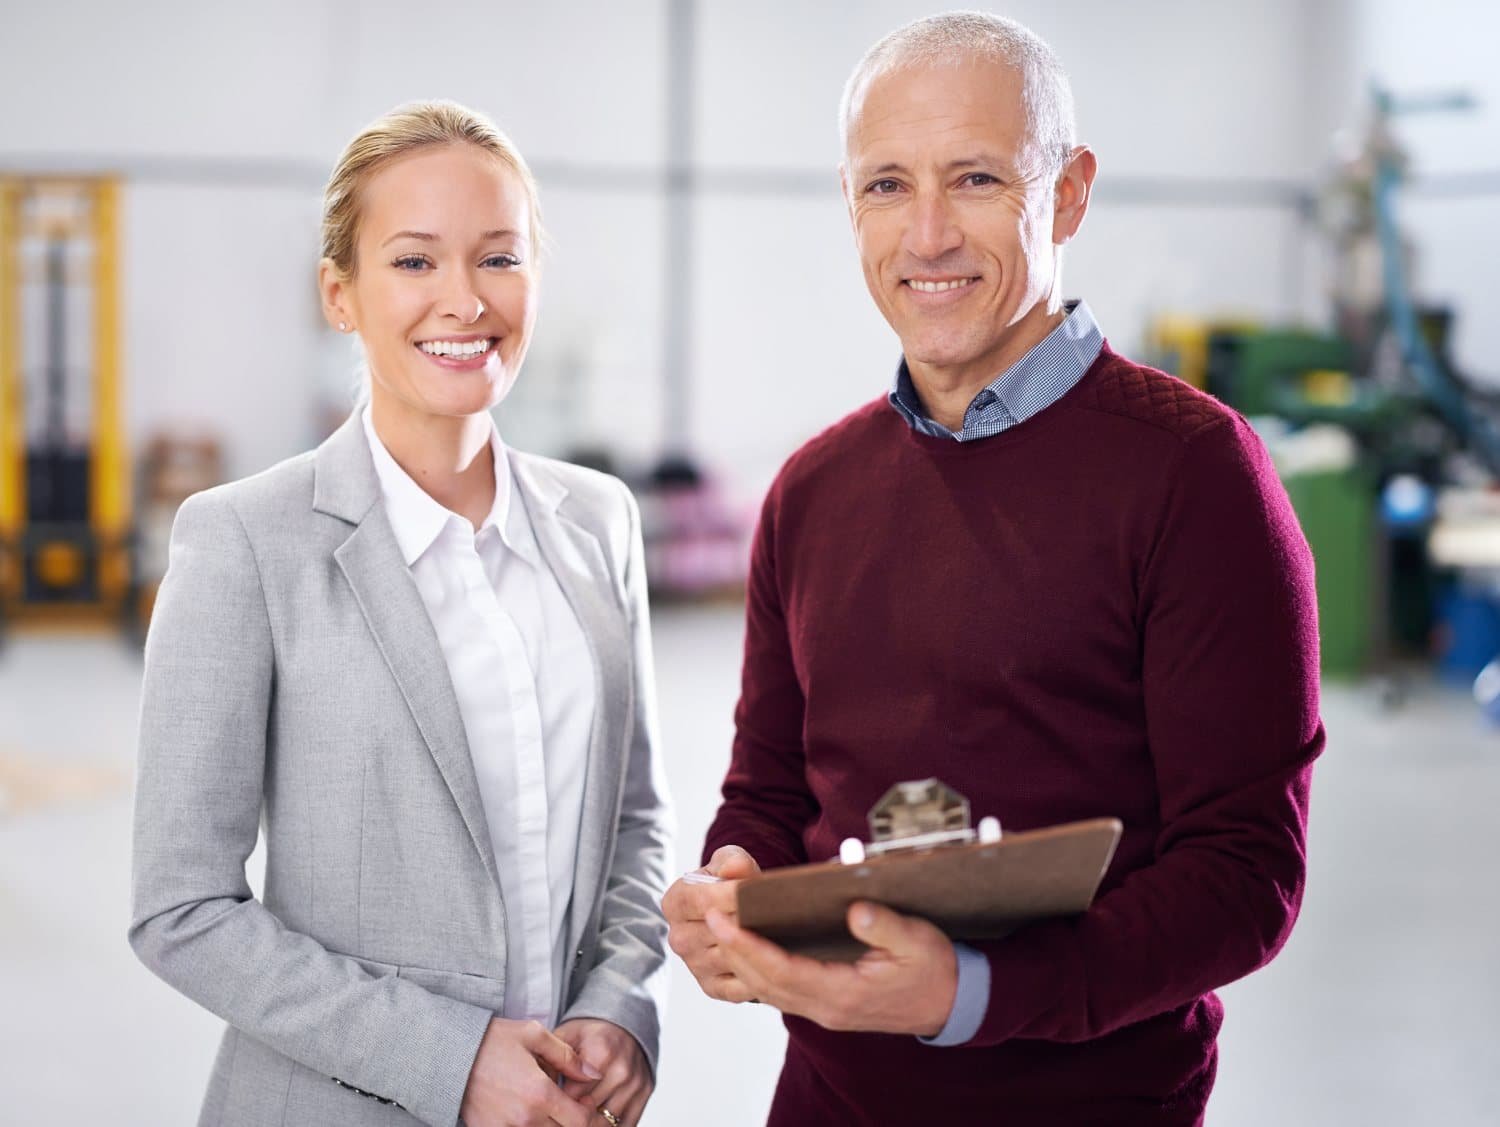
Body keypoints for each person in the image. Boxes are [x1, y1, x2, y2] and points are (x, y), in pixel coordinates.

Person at [662, 12, 1322, 1126]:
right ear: (848, 202)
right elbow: (771, 791)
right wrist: (734, 881)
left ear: (1067, 192)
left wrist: (972, 995)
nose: (926, 236)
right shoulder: (811, 491)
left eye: (973, 178)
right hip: (825, 1097)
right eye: (885, 186)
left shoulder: (1198, 476)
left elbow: (1246, 874)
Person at [130, 101, 671, 1127]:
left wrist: (623, 1004)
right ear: (341, 291)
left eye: (498, 259)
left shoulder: (601, 522)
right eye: (415, 262)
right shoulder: (245, 543)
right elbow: (182, 908)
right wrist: (454, 1059)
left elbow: (636, 821)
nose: (463, 300)